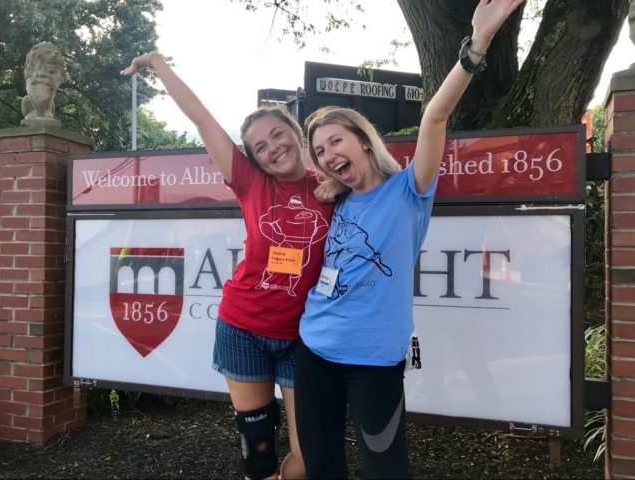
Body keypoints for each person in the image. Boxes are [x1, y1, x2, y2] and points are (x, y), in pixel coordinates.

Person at [293, 1, 526, 478]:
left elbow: (434, 119)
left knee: (386, 471)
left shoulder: (409, 191)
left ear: (361, 139)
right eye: (319, 150)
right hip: (314, 350)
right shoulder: (333, 202)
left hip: (373, 363)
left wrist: (477, 44)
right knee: (320, 468)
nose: (328, 153)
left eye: (335, 140)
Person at [121, 53, 337, 479]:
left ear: (297, 133)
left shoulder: (332, 186)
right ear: (253, 159)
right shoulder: (250, 182)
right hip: (243, 328)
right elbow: (203, 120)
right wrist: (159, 66)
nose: (274, 147)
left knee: (309, 457)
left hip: (303, 336)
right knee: (257, 451)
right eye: (261, 146)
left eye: (279, 135)